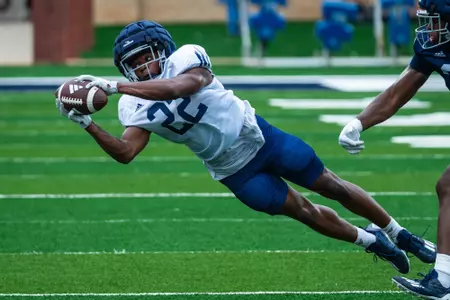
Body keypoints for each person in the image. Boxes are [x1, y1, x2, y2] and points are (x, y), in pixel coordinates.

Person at [56, 21, 435, 277]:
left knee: (330, 184)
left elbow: (179, 88)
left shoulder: (186, 57)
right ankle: (371, 240)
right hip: (233, 169)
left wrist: (115, 86)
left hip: (258, 136)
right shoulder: (131, 104)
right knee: (302, 211)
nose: (143, 66)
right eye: (133, 64)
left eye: (146, 55)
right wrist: (88, 124)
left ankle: (401, 233)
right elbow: (126, 152)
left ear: (163, 48)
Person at [338, 0, 450, 297]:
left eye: (435, 20)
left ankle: (445, 280)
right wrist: (359, 123)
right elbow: (396, 94)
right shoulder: (432, 46)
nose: (428, 28)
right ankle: (444, 278)